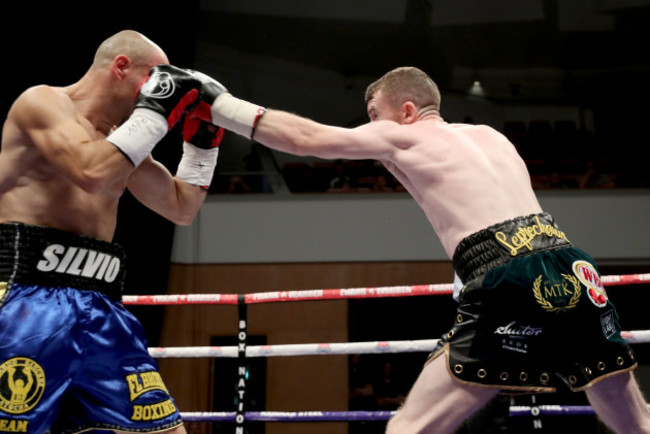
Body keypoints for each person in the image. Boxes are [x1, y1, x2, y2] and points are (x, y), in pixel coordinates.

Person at [187, 65, 650, 433]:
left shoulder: (404, 134)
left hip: (504, 273)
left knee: (410, 427)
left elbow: (306, 140)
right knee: (630, 417)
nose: (371, 129)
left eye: (373, 114)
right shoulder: (493, 137)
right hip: (570, 263)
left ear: (407, 110)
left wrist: (218, 104)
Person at [0, 30, 222, 433]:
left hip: (101, 308)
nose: (164, 96)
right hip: (25, 299)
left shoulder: (121, 143)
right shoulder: (43, 102)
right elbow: (90, 172)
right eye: (156, 82)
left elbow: (181, 207)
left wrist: (202, 146)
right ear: (121, 67)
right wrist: (154, 112)